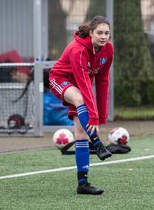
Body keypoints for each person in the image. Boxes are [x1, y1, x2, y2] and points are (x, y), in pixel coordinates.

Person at [49, 15, 113, 195]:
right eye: (99, 33)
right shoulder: (78, 49)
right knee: (80, 99)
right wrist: (92, 115)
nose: (103, 37)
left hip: (79, 85)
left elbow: (102, 81)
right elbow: (84, 84)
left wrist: (100, 116)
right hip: (60, 79)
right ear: (91, 33)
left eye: (107, 33)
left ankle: (82, 183)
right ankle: (98, 144)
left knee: (81, 134)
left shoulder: (108, 50)